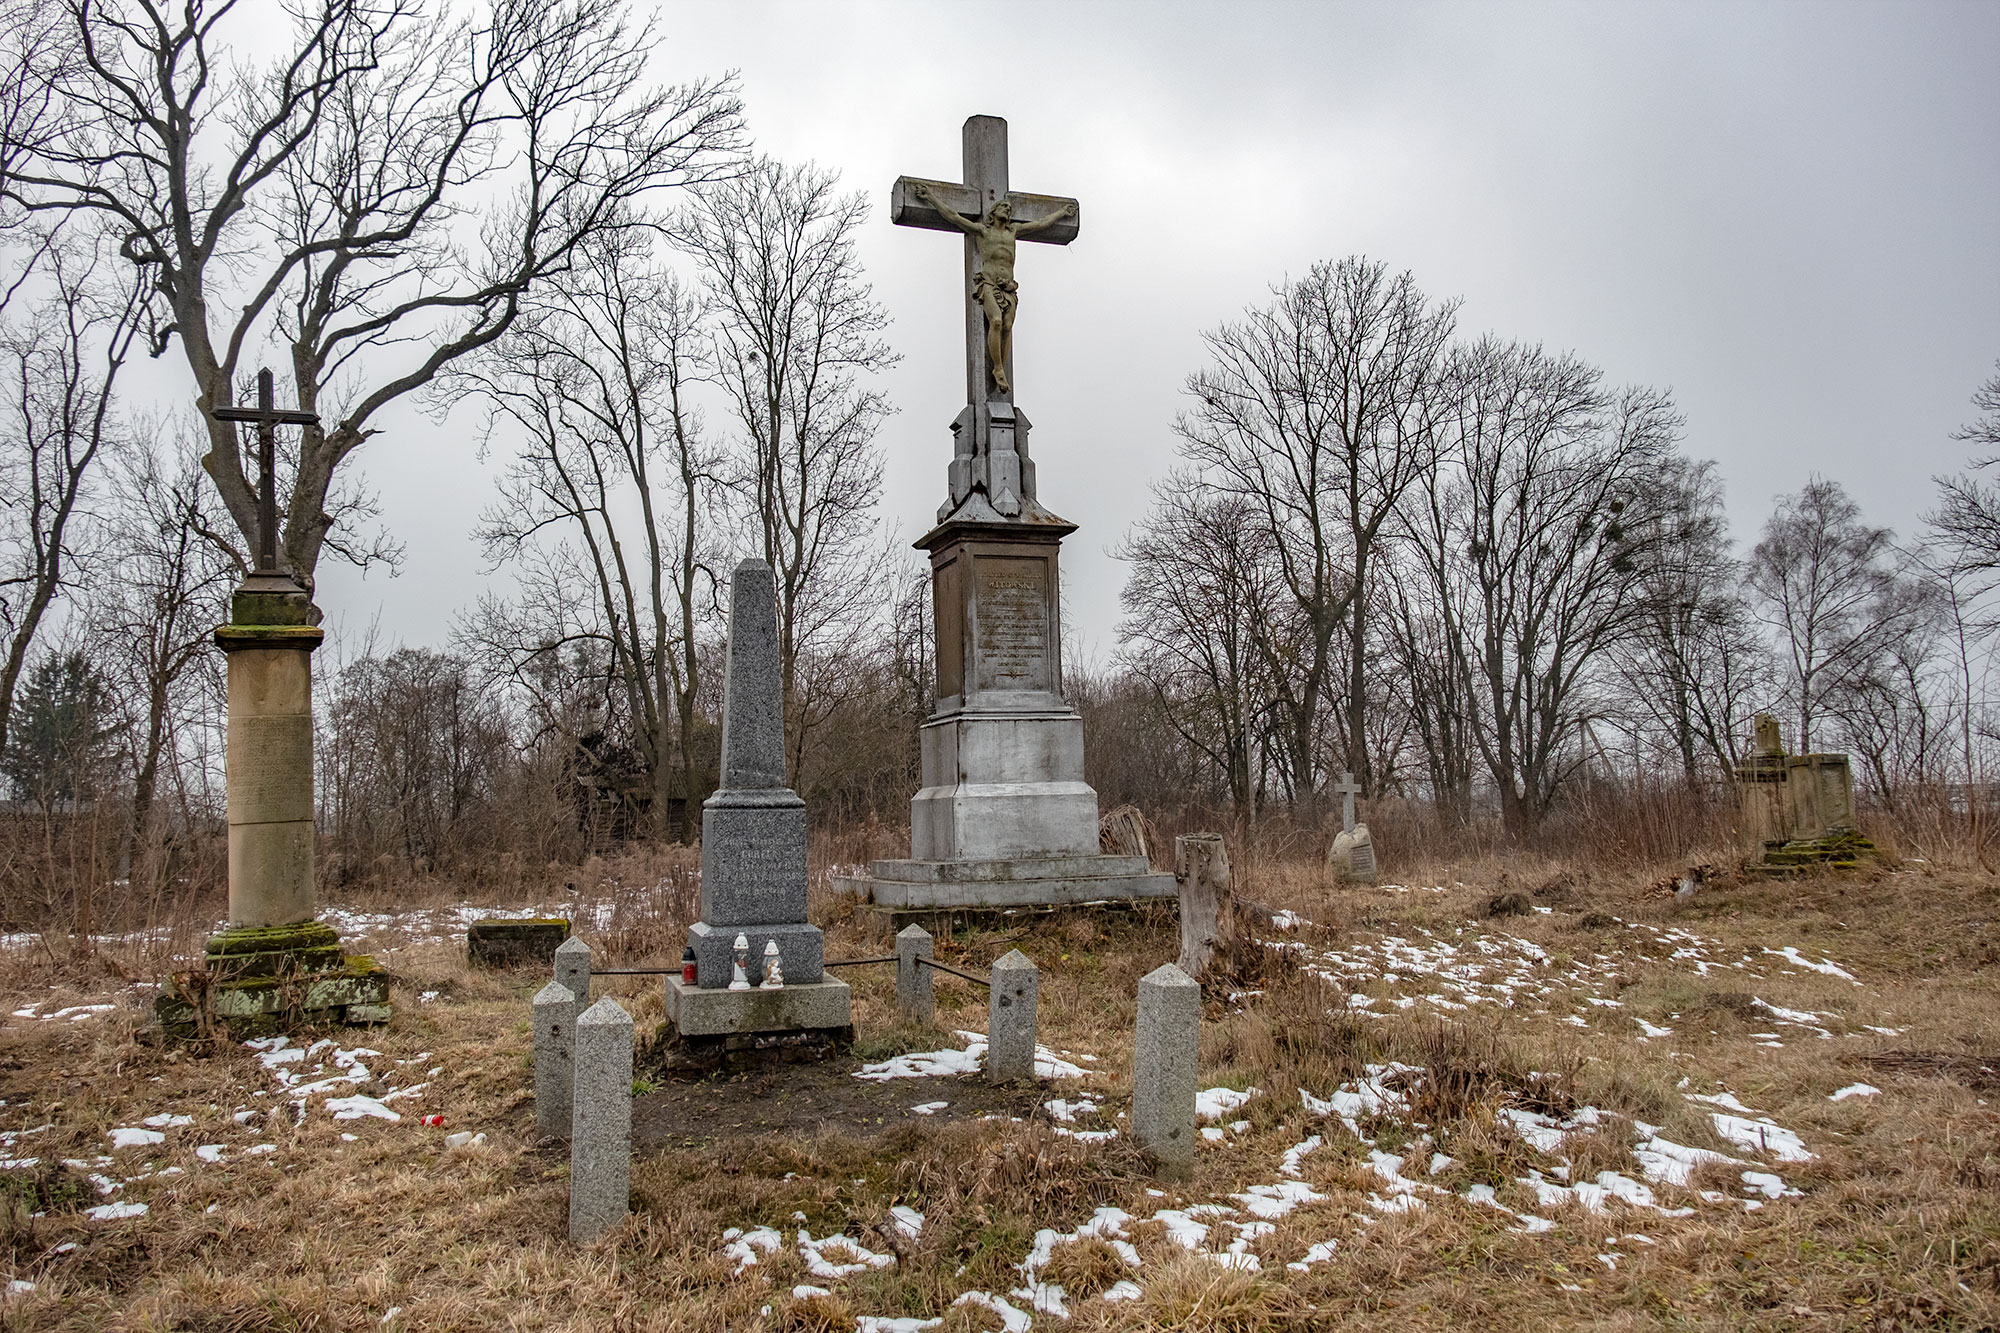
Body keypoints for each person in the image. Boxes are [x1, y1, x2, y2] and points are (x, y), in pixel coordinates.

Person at [913, 184, 1076, 393]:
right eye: (1003, 207)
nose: (1007, 210)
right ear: (994, 212)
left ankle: (1002, 368)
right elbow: (953, 216)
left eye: (1009, 209)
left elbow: (1041, 223)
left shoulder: (1014, 231)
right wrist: (931, 198)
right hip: (989, 282)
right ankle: (998, 368)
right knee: (996, 321)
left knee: (1007, 326)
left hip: (1009, 287)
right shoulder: (983, 230)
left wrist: (1062, 212)